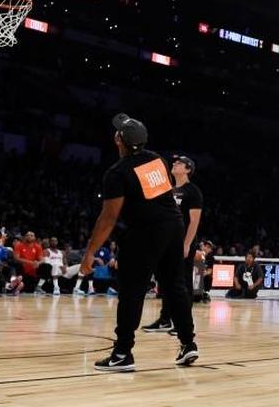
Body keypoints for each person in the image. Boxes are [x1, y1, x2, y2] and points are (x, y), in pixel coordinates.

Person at [81, 113, 197, 372]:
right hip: (173, 226)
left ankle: (122, 353)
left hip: (146, 233)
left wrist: (90, 253)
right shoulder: (157, 159)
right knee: (174, 286)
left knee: (132, 291)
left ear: (118, 139)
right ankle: (188, 343)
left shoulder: (117, 172)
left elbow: (108, 218)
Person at [143, 154, 204, 333]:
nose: (175, 163)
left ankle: (184, 324)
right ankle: (165, 320)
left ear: (187, 169)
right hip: (167, 242)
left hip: (183, 243)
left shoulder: (193, 191)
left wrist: (186, 244)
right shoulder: (168, 189)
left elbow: (194, 221)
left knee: (183, 283)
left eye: (180, 163)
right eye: (175, 162)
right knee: (166, 282)